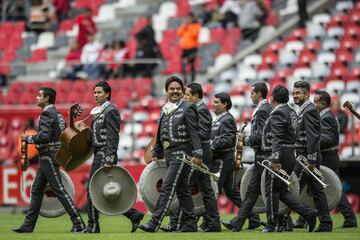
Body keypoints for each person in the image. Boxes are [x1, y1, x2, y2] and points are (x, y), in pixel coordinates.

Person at [12, 87, 85, 233]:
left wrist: (28, 138)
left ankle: (79, 223)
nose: (36, 97)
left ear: (47, 98)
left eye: (39, 95)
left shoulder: (46, 114)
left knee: (58, 189)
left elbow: (44, 137)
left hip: (48, 156)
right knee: (37, 190)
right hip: (52, 155)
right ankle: (28, 226)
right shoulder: (57, 114)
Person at [138, 75, 202, 233]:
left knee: (167, 187)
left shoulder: (188, 107)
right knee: (182, 191)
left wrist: (198, 153)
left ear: (182, 90)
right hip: (170, 154)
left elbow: (194, 132)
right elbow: (160, 132)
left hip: (183, 153)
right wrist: (157, 152)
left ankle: (154, 222)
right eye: (172, 89)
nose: (175, 91)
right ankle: (190, 224)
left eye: (178, 89)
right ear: (166, 91)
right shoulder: (165, 108)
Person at [82, 81, 144, 233]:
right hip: (99, 154)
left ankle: (93, 225)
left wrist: (108, 157)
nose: (96, 95)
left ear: (108, 94)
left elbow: (112, 136)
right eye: (95, 92)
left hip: (104, 155)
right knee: (105, 191)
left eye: (99, 92)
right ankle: (133, 214)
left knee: (93, 190)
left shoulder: (110, 111)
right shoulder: (97, 112)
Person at [160, 83, 221, 232]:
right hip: (199, 152)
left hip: (199, 153)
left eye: (187, 95)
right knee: (205, 190)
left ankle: (177, 222)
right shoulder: (197, 108)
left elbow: (202, 133)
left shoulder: (201, 109)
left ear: (196, 96)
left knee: (183, 185)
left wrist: (185, 137)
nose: (184, 98)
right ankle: (213, 223)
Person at [260, 85, 318, 233]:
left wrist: (274, 159)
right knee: (282, 191)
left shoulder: (278, 113)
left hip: (280, 155)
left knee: (271, 191)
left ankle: (271, 225)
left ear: (272, 97)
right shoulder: (291, 111)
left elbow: (277, 138)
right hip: (289, 154)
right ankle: (308, 212)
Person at [221, 82, 271, 232]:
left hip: (263, 156)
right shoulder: (265, 109)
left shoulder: (262, 110)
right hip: (262, 156)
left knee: (272, 192)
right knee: (253, 192)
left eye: (253, 93)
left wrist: (244, 139)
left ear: (259, 94)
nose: (250, 96)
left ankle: (306, 213)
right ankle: (239, 222)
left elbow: (260, 136)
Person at [211, 92, 262, 230]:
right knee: (230, 192)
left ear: (225, 104)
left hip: (223, 160)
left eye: (216, 102)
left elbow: (228, 139)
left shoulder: (227, 118)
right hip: (222, 159)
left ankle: (210, 222)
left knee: (212, 191)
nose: (213, 104)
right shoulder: (218, 119)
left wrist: (211, 144)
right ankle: (253, 218)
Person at [292, 81, 333, 232]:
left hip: (306, 159)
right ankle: (324, 222)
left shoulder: (308, 110)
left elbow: (313, 137)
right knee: (313, 191)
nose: (295, 95)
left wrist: (311, 160)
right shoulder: (304, 110)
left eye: (298, 93)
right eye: (294, 92)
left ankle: (313, 218)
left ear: (307, 94)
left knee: (290, 188)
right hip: (304, 158)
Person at [314, 90, 357, 228]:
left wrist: (312, 142)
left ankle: (350, 218)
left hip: (328, 156)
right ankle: (350, 218)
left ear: (323, 103)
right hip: (329, 155)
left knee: (333, 188)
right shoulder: (328, 115)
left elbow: (327, 139)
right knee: (327, 187)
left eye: (316, 102)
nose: (314, 104)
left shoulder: (326, 116)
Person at [177, 13, 201, 84]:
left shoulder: (196, 25)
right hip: (185, 49)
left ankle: (193, 79)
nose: (188, 20)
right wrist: (184, 26)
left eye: (189, 18)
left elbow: (194, 35)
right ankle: (185, 81)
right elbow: (179, 33)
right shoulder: (185, 26)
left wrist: (189, 26)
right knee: (183, 63)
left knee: (192, 65)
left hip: (193, 48)